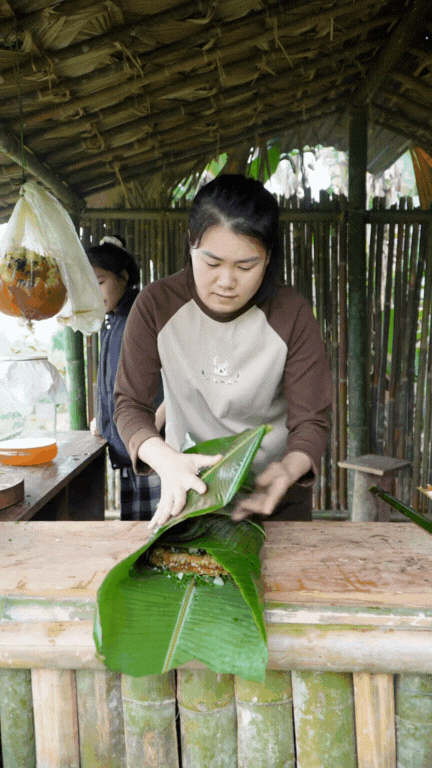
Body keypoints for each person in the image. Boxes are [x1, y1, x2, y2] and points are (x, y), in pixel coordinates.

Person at [114, 175, 332, 530]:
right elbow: (129, 404)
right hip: (189, 489)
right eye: (212, 263)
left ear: (268, 258)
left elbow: (311, 420)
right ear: (191, 243)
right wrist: (166, 460)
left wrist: (287, 471)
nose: (227, 281)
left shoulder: (292, 314)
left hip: (274, 494)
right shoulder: (156, 304)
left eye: (246, 266)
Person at [87, 235, 164, 520]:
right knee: (138, 532)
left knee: (153, 537)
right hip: (131, 450)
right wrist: (103, 419)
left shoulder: (141, 316)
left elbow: (176, 380)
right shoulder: (113, 319)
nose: (93, 294)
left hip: (152, 450)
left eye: (99, 283)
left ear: (124, 277)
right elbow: (113, 383)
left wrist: (149, 432)